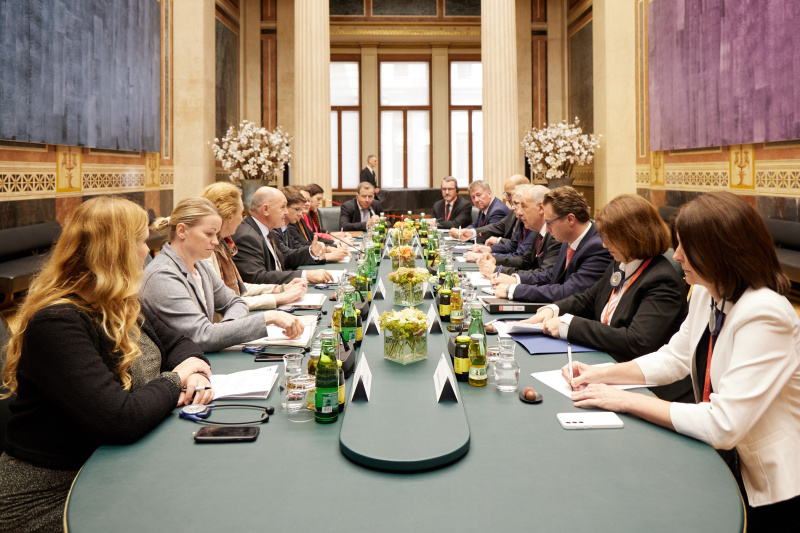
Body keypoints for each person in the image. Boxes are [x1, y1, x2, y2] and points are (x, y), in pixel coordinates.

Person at [564, 192, 800, 531]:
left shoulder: (765, 313)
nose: (676, 256)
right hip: (727, 460)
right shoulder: (707, 290)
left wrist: (624, 400)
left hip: (773, 483)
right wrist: (602, 373)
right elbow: (674, 357)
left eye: (686, 247)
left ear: (720, 250)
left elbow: (723, 423)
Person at [0, 197, 213, 532]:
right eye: (143, 242)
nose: (148, 252)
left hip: (116, 468)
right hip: (56, 493)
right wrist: (176, 379)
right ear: (114, 250)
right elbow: (121, 418)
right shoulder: (57, 323)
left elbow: (181, 343)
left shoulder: (119, 302)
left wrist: (195, 372)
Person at [522, 194, 691, 401]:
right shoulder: (620, 262)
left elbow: (636, 342)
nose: (604, 245)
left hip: (645, 386)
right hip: (606, 362)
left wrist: (570, 325)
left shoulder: (662, 280)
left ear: (633, 235)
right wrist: (553, 309)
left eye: (610, 238)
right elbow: (587, 299)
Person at [141, 197, 304, 352]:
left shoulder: (199, 265)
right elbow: (201, 336)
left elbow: (235, 302)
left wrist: (227, 329)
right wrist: (268, 318)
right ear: (182, 231)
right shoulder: (163, 275)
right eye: (209, 234)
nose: (216, 241)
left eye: (216, 235)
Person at [491, 186, 612, 302]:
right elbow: (552, 275)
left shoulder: (598, 247)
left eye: (549, 223)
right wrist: (515, 279)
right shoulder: (567, 238)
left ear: (570, 219)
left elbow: (568, 291)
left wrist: (513, 290)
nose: (547, 230)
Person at [200, 182, 308, 311]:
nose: (242, 220)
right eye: (241, 214)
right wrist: (279, 297)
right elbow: (223, 301)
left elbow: (238, 287)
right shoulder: (206, 248)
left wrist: (280, 288)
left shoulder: (222, 243)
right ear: (229, 216)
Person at [232, 187, 334, 285]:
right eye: (282, 207)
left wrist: (311, 252)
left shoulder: (269, 231)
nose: (286, 212)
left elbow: (286, 257)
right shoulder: (247, 237)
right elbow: (257, 278)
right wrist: (304, 275)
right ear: (265, 209)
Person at [476, 184, 560, 275]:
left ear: (540, 208)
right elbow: (524, 260)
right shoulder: (538, 232)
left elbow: (545, 275)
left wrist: (498, 270)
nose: (519, 212)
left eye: (523, 207)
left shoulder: (555, 235)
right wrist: (494, 260)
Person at [464, 184, 537, 262]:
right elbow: (512, 246)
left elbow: (521, 258)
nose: (512, 208)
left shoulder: (533, 225)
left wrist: (485, 257)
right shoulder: (523, 220)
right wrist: (490, 249)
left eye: (516, 203)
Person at [280, 186, 349, 263]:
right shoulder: (279, 229)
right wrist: (326, 256)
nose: (300, 213)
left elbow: (303, 243)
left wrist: (328, 248)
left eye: (309, 200)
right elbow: (289, 256)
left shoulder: (297, 221)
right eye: (297, 209)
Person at [451, 175, 528, 242]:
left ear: (489, 193)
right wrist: (465, 232)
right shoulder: (484, 207)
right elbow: (478, 225)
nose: (476, 200)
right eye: (473, 197)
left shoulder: (498, 210)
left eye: (509, 194)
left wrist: (466, 234)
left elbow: (490, 235)